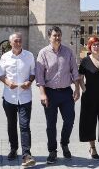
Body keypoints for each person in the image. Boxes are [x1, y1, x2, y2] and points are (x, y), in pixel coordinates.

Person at [36, 26, 80, 164]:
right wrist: (42, 94)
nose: (57, 38)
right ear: (49, 37)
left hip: (66, 92)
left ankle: (64, 143)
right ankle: (52, 151)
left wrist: (77, 89)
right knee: (51, 124)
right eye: (55, 35)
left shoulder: (68, 52)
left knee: (69, 120)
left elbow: (75, 71)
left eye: (59, 35)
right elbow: (39, 76)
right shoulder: (43, 53)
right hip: (50, 93)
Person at [0, 32, 36, 167]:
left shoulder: (29, 56)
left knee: (25, 125)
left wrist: (29, 82)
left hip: (25, 97)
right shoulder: (4, 57)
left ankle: (26, 154)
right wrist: (8, 83)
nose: (18, 43)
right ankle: (13, 149)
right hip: (9, 97)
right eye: (16, 41)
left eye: (20, 41)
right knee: (11, 124)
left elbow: (33, 72)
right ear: (10, 43)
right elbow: (1, 75)